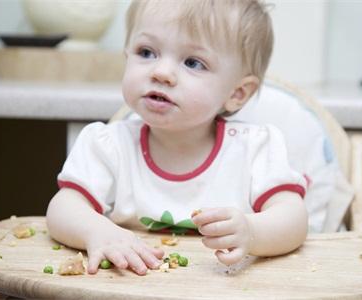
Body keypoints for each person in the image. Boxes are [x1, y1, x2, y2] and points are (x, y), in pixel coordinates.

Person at [46, 0, 308, 276]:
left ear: (237, 93)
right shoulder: (108, 145)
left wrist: (253, 232)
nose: (161, 72)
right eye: (146, 52)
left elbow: (294, 218)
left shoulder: (255, 148)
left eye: (193, 62)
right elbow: (63, 207)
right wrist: (97, 231)